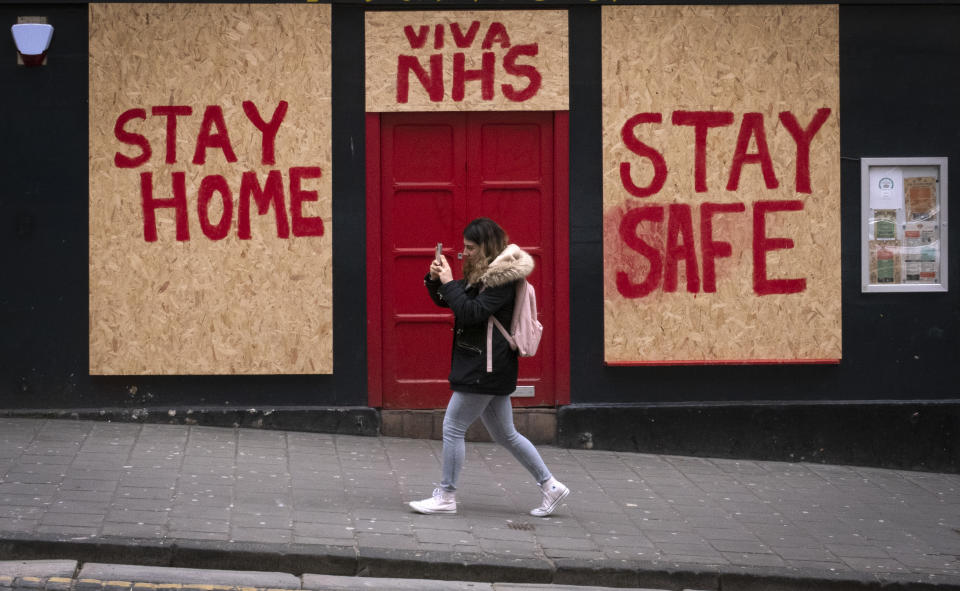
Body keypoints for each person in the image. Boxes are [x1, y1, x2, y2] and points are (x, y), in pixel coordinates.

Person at [409, 217, 569, 517]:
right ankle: (551, 486)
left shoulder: (503, 279)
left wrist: (447, 283)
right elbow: (453, 301)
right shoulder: (485, 274)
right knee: (506, 435)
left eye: (471, 248)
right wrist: (437, 280)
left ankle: (446, 496)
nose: (465, 253)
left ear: (486, 247)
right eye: (464, 248)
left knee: (453, 427)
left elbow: (471, 312)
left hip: (484, 367)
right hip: (488, 365)